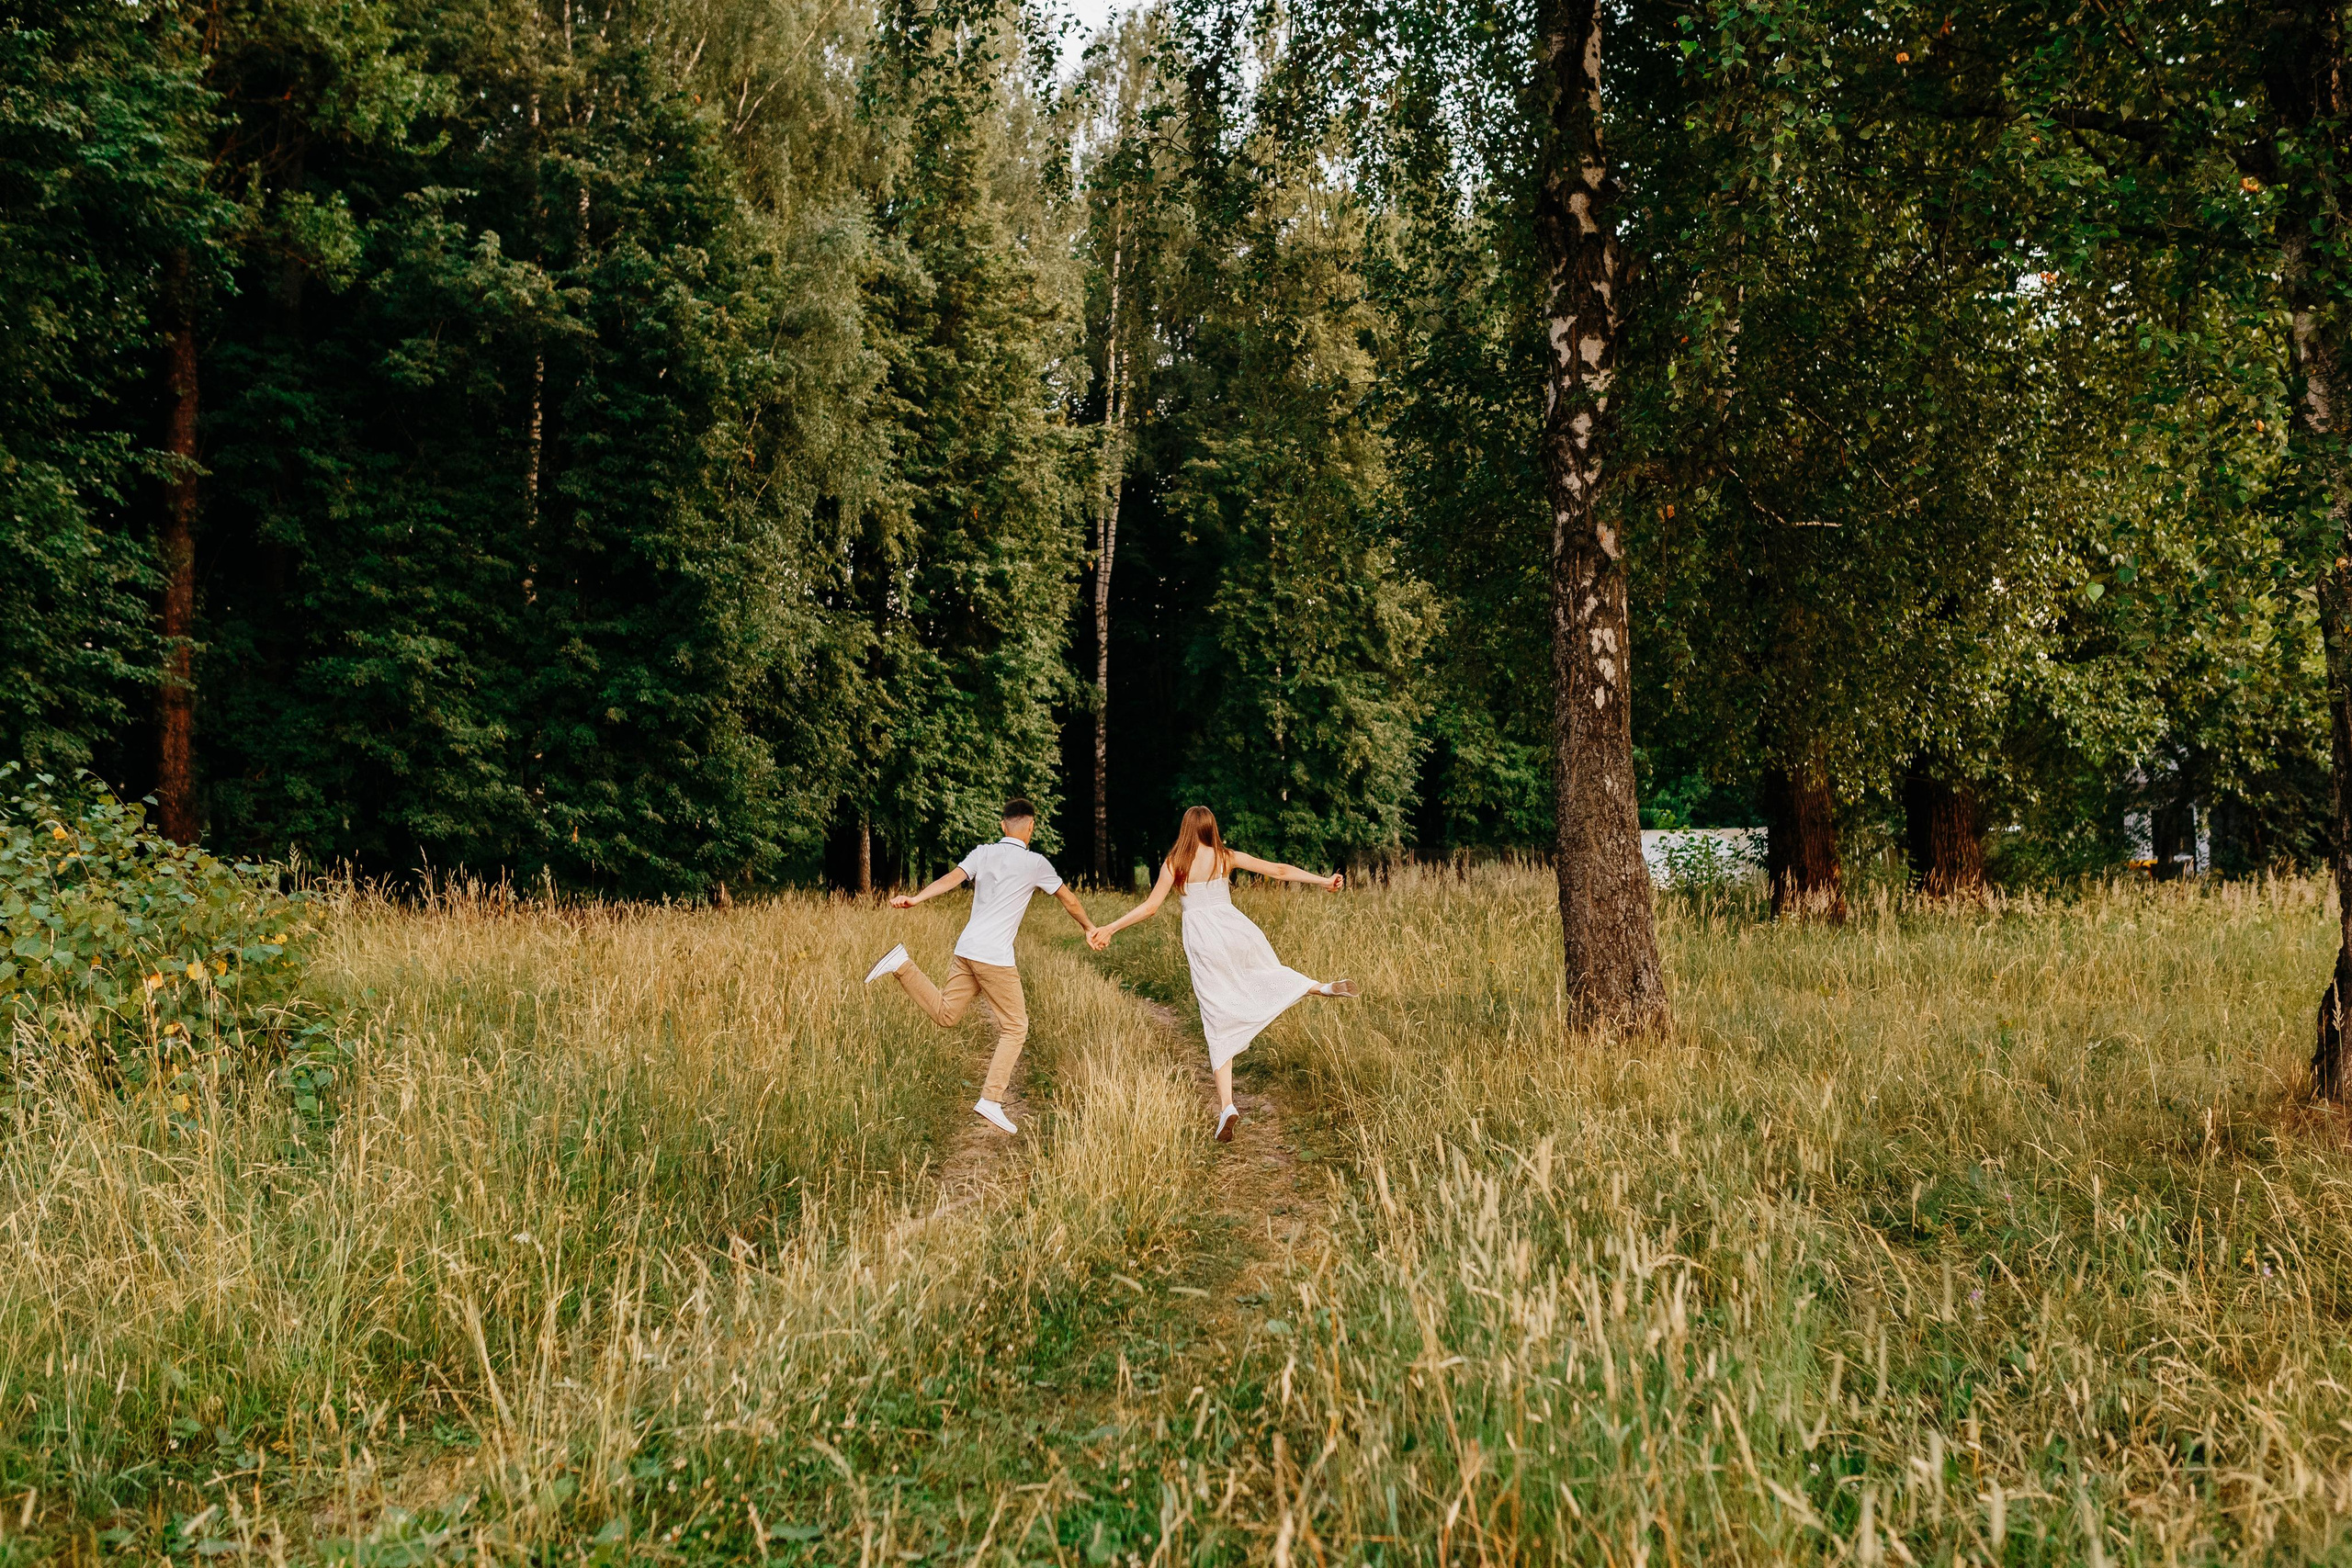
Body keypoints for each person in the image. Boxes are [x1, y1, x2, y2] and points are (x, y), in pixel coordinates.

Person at [1088, 805, 1353, 1141]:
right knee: (1265, 974)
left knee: (1216, 1017)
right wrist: (1323, 881)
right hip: (1236, 930)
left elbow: (1151, 907)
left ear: (1185, 829)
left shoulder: (1175, 864)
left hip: (1203, 943)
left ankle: (1227, 1104)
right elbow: (1279, 870)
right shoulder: (1225, 856)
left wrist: (1111, 927)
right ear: (1211, 828)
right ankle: (1319, 987)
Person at [864, 798, 1097, 1134]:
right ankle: (990, 1099)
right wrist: (1089, 928)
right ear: (1031, 828)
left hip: (968, 949)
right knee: (1016, 1026)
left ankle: (902, 964)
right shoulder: (1036, 863)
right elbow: (1070, 900)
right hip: (994, 958)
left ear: (1003, 825)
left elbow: (950, 879)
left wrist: (916, 898)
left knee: (946, 1014)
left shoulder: (982, 853)